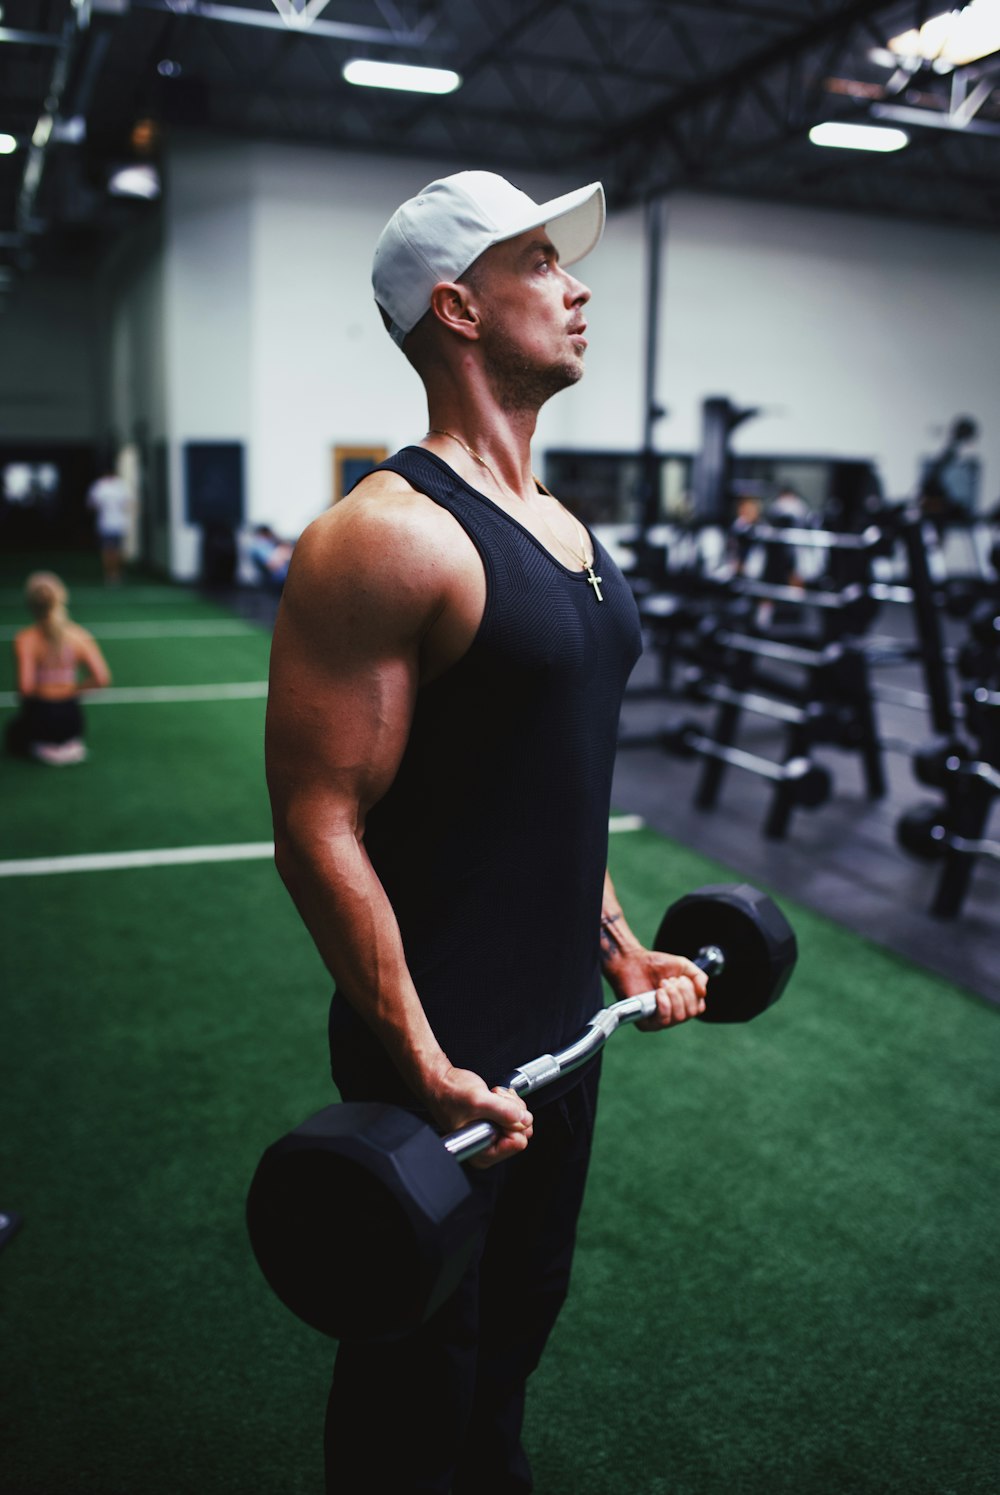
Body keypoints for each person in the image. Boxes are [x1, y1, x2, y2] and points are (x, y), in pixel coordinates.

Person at [264, 170, 708, 1494]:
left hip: (563, 1029)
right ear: (457, 307)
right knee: (416, 1360)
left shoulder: (570, 531)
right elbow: (317, 821)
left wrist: (620, 946)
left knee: (520, 1318)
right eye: (539, 266)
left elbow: (552, 782)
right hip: (438, 1048)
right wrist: (419, 1048)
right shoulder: (386, 539)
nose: (577, 289)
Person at [5, 572, 111, 765]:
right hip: (71, 719)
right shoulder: (79, 635)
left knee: (13, 731)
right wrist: (72, 692)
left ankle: (40, 743)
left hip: (41, 717)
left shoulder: (26, 639)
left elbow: (25, 688)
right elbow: (102, 678)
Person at [86, 467, 133, 584]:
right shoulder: (120, 485)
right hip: (117, 523)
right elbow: (129, 504)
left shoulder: (99, 486)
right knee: (115, 550)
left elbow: (92, 505)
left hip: (107, 524)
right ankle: (114, 574)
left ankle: (111, 574)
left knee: (108, 550)